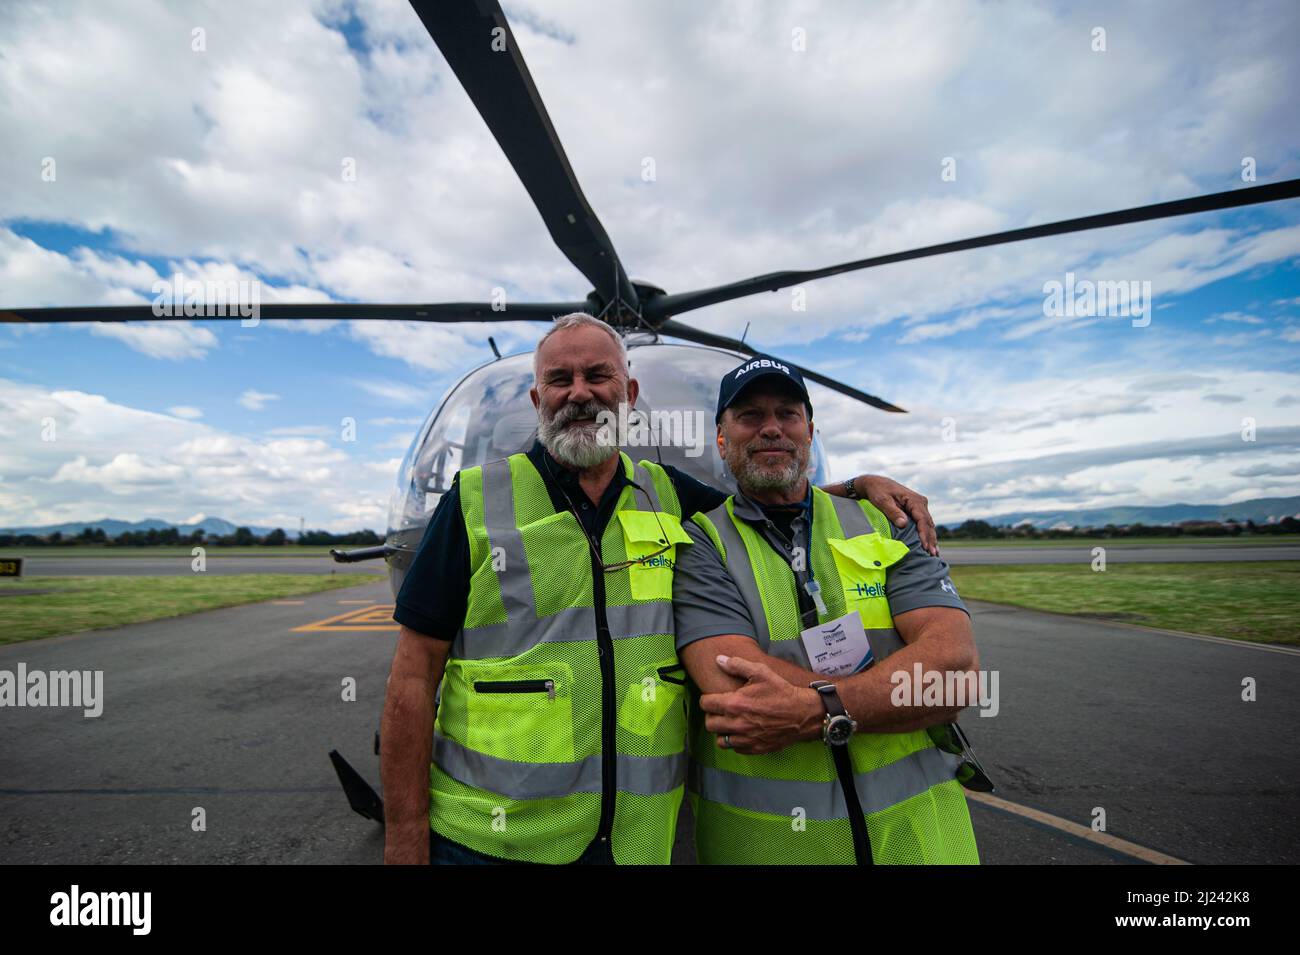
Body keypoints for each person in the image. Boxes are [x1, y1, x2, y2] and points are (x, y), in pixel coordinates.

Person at [381, 314, 941, 865]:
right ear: (536, 400)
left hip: (634, 842)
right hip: (491, 841)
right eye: (560, 380)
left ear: (629, 393)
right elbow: (412, 676)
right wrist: (406, 834)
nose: (579, 394)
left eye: (598, 376)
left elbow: (767, 500)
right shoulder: (476, 500)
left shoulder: (668, 494)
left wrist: (857, 488)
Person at [671, 355, 982, 864]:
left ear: (810, 432)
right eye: (749, 416)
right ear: (721, 440)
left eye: (787, 414)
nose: (771, 428)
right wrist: (893, 693)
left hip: (919, 841)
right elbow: (736, 693)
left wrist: (816, 711)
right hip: (771, 849)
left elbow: (954, 671)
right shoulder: (700, 543)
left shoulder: (885, 520)